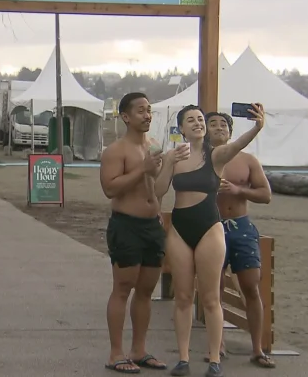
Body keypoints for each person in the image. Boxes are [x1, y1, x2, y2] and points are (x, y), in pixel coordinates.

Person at [155, 103, 265, 377]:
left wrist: (257, 127)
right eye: (191, 120)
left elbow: (237, 145)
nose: (198, 123)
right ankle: (183, 358)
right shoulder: (174, 156)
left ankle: (215, 359)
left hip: (209, 228)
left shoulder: (215, 155)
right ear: (181, 128)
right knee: (182, 296)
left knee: (210, 297)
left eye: (200, 119)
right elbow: (158, 190)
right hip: (180, 228)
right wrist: (168, 162)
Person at [99, 92, 170, 374]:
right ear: (126, 117)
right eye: (141, 110)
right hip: (126, 226)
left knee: (145, 291)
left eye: (149, 110)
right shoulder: (116, 151)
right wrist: (143, 169)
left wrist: (167, 168)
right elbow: (110, 189)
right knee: (122, 289)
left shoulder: (154, 146)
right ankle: (115, 353)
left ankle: (139, 350)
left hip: (152, 226)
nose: (147, 115)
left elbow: (156, 188)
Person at [205, 112, 275, 369]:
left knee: (251, 286)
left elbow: (266, 195)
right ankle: (218, 345)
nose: (219, 128)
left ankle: (257, 349)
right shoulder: (200, 160)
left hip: (241, 227)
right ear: (205, 131)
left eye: (223, 124)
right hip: (212, 226)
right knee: (215, 288)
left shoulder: (247, 160)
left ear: (231, 131)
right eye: (213, 124)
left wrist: (238, 190)